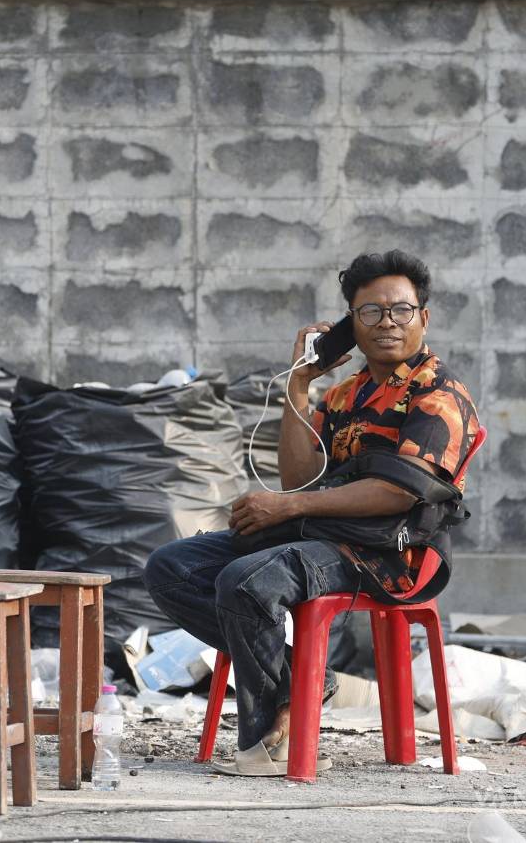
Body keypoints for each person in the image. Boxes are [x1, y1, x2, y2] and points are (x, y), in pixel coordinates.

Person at [143, 249, 479, 777]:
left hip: (391, 553)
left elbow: (397, 491)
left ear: (423, 318)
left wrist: (287, 507)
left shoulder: (438, 394)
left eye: (401, 310)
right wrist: (299, 385)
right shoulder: (345, 395)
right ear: (351, 323)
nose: (387, 323)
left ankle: (270, 745)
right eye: (370, 312)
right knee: (170, 567)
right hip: (323, 533)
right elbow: (298, 478)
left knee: (248, 581)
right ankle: (302, 680)